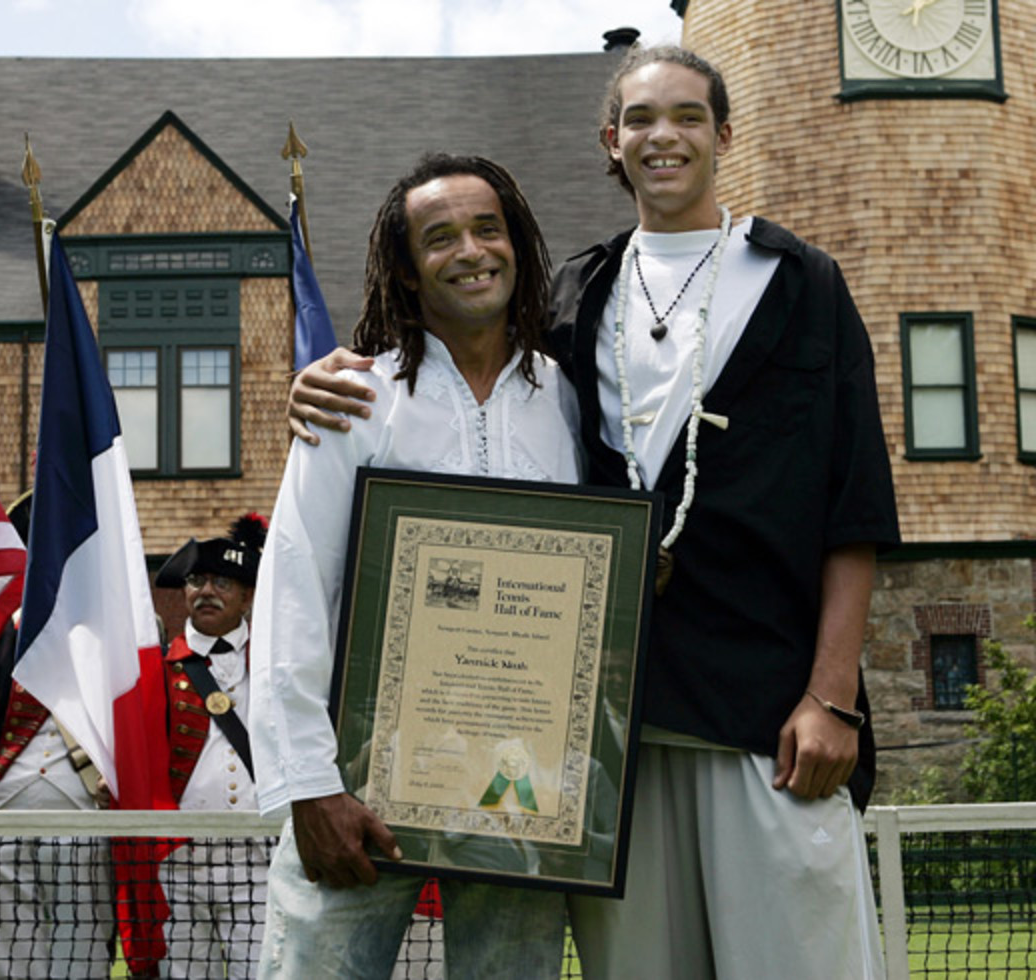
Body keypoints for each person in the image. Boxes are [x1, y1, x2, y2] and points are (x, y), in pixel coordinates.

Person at [286, 46, 900, 980]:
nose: (666, 137)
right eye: (642, 119)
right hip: (603, 744)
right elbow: (306, 577)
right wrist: (324, 378)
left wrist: (833, 695)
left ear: (725, 133)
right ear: (609, 143)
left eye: (689, 116)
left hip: (764, 718)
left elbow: (853, 504)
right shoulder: (575, 304)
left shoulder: (802, 284)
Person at [249, 153, 577, 979]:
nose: (470, 250)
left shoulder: (564, 397)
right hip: (358, 786)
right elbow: (295, 589)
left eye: (487, 228)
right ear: (406, 263)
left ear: (520, 244)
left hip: (521, 796)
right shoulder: (356, 396)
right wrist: (310, 787)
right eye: (440, 237)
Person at [0, 490, 114, 980]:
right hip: (1, 801)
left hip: (81, 803)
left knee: (84, 937)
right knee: (13, 945)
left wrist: (120, 779)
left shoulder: (114, 626)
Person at [153, 514, 270, 979]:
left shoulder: (273, 661)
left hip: (259, 857)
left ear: (247, 595)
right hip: (182, 859)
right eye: (197, 581)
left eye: (223, 581)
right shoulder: (157, 668)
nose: (206, 591)